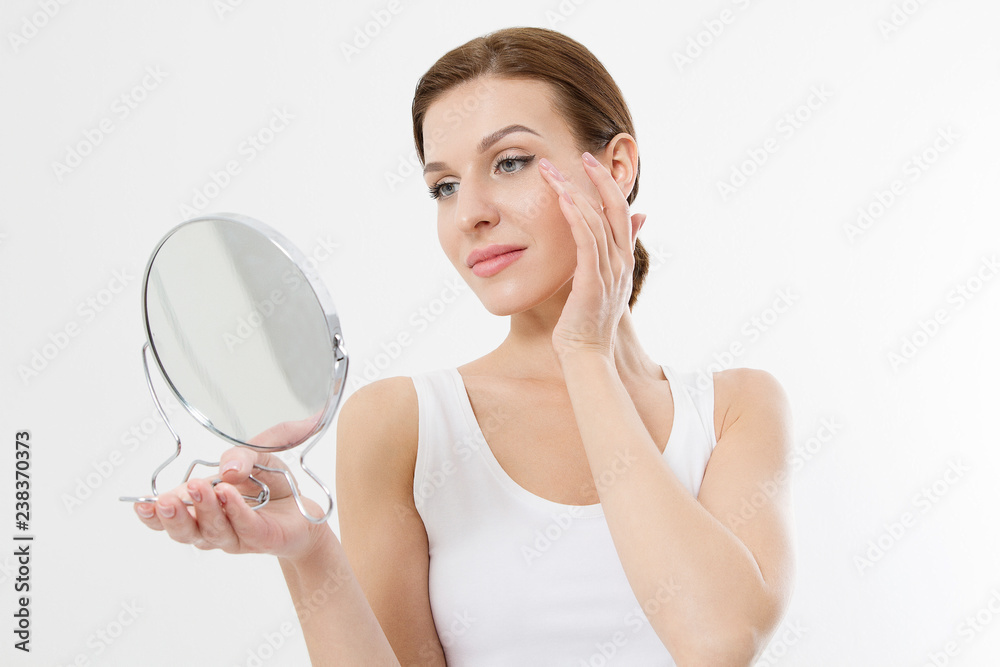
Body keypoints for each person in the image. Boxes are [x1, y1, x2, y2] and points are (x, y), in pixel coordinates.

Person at [133, 26, 795, 666]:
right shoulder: (404, 423)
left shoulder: (734, 409)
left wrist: (586, 354)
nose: (470, 212)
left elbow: (717, 642)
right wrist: (309, 553)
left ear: (616, 167)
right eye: (444, 186)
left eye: (510, 162)